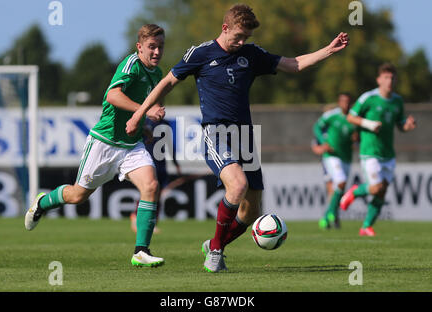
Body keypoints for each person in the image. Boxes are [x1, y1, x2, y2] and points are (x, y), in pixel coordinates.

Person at [125, 4, 349, 272]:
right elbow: (167, 82)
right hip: (216, 133)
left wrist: (328, 50)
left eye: (246, 38)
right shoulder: (201, 53)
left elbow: (294, 64)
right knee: (238, 185)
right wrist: (140, 114)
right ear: (224, 28)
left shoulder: (251, 54)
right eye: (238, 36)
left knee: (251, 211)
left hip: (245, 136)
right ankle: (216, 253)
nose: (242, 42)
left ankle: (214, 244)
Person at [25, 24, 167, 267]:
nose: (156, 52)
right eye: (151, 47)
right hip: (105, 143)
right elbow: (112, 95)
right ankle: (42, 203)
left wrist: (143, 125)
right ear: (139, 47)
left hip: (131, 145)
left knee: (151, 185)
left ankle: (141, 251)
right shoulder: (132, 64)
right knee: (77, 195)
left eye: (160, 47)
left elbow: (139, 108)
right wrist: (144, 110)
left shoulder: (157, 73)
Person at [340, 63, 416, 236]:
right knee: (375, 187)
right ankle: (354, 192)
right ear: (379, 79)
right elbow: (351, 116)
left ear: (395, 80)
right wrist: (369, 124)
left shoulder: (397, 101)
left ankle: (366, 226)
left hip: (388, 153)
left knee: (382, 191)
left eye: (392, 78)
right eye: (386, 77)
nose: (389, 81)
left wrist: (408, 125)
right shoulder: (369, 98)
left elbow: (401, 125)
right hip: (370, 151)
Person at [312, 93, 357, 229]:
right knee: (339, 183)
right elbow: (316, 128)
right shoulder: (332, 116)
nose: (346, 104)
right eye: (343, 101)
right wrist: (324, 143)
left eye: (348, 102)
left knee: (339, 188)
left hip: (346, 158)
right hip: (331, 157)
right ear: (339, 102)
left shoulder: (354, 118)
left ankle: (327, 216)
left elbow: (357, 137)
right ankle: (332, 214)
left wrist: (356, 138)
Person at [130, 118, 182, 233]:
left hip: (161, 163)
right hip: (147, 161)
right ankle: (137, 216)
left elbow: (169, 144)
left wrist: (175, 163)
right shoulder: (144, 121)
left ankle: (152, 222)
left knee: (158, 194)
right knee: (149, 190)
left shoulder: (165, 123)